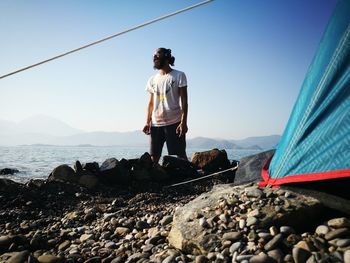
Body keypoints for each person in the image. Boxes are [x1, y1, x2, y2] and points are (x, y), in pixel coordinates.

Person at [143, 47, 188, 164]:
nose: (155, 57)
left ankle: (189, 179)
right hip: (155, 124)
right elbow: (151, 103)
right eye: (154, 55)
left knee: (181, 155)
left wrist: (183, 122)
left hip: (175, 122)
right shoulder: (152, 80)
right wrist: (147, 122)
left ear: (167, 57)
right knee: (154, 158)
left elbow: (184, 100)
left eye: (158, 54)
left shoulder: (179, 75)